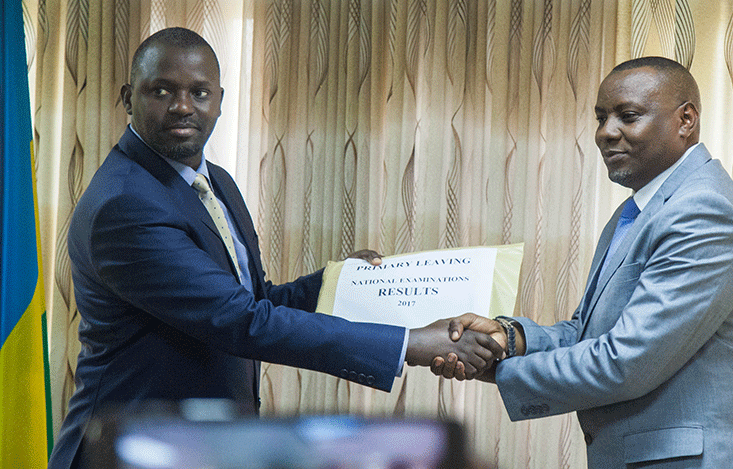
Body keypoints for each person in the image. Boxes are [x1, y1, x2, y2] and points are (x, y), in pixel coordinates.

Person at [48, 27, 503, 469]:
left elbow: (253, 300)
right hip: (127, 448)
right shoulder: (126, 204)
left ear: (221, 101)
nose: (183, 106)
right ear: (129, 98)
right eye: (162, 91)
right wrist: (414, 343)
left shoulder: (215, 182)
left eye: (200, 93)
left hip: (202, 445)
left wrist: (338, 284)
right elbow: (240, 322)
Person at [434, 57, 733, 468]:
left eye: (628, 116)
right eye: (601, 118)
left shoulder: (702, 210)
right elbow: (587, 332)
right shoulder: (638, 210)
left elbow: (627, 361)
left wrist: (495, 368)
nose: (606, 133)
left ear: (686, 119)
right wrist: (510, 339)